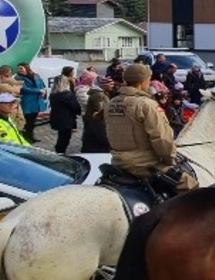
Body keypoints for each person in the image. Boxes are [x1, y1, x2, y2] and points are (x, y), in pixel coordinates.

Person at [105, 63, 197, 195]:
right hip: (144, 164)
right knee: (191, 186)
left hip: (118, 161)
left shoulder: (111, 103)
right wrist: (170, 159)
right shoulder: (146, 105)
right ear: (143, 81)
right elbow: (161, 137)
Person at [49, 67, 82, 154]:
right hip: (66, 119)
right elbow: (75, 107)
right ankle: (60, 152)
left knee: (61, 136)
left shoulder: (53, 94)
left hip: (57, 117)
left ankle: (59, 150)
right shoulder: (66, 94)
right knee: (64, 138)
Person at [15, 63, 45, 142]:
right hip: (27, 101)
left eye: (21, 68)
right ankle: (26, 137)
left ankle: (31, 136)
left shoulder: (35, 75)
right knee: (27, 121)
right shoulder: (18, 78)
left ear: (26, 68)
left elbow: (42, 84)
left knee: (32, 121)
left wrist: (43, 90)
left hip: (37, 101)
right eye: (18, 69)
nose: (19, 70)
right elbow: (24, 89)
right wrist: (38, 91)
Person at [81, 78, 111, 153]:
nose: (112, 86)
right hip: (97, 125)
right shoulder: (98, 95)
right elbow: (101, 110)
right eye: (110, 84)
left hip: (95, 125)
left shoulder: (101, 94)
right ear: (104, 85)